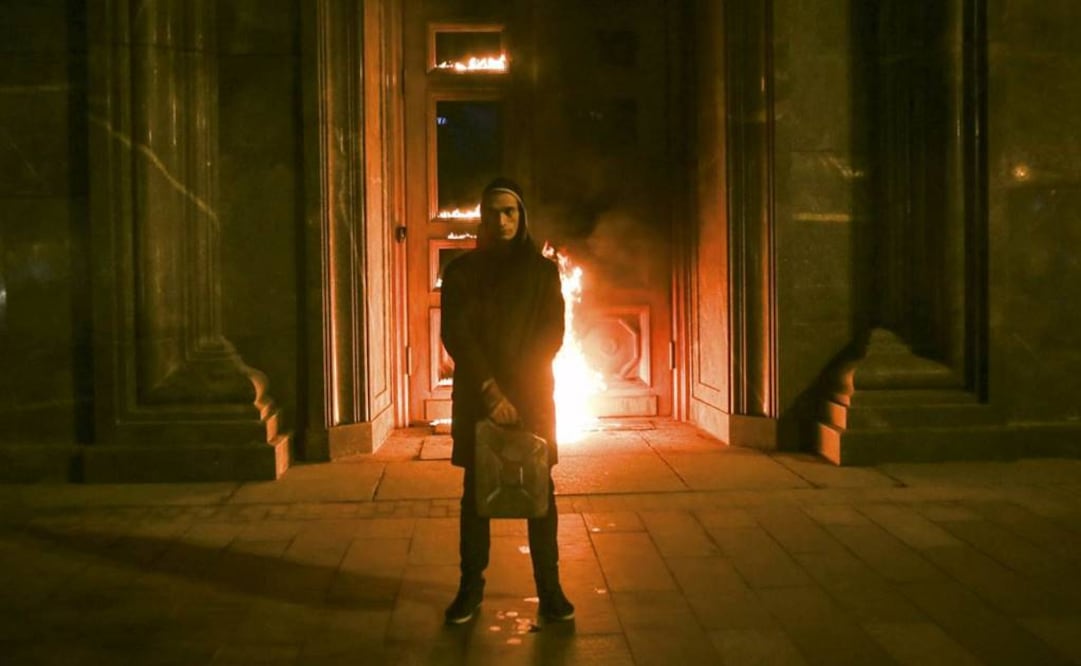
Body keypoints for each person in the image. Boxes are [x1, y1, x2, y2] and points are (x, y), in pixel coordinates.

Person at [439, 177, 575, 625]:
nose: (502, 220)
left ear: (522, 217)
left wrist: (517, 392)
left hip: (532, 397)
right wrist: (491, 392)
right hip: (481, 398)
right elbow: (458, 333)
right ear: (483, 217)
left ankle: (550, 591)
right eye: (494, 212)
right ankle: (470, 590)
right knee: (476, 497)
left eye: (510, 212)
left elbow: (551, 334)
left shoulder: (543, 273)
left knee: (540, 495)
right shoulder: (461, 273)